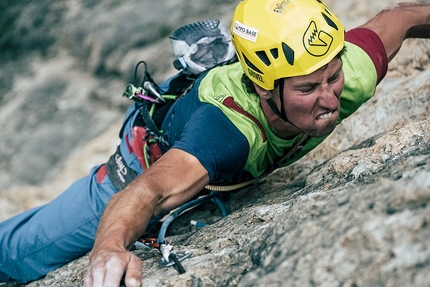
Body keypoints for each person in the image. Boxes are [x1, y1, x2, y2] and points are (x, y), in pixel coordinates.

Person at [1, 0, 430, 286]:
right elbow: (147, 191)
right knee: (16, 255)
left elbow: (404, 17)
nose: (330, 97)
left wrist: (332, 75)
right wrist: (109, 247)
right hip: (134, 170)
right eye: (307, 89)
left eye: (333, 77)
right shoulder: (226, 131)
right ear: (265, 89)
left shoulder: (346, 72)